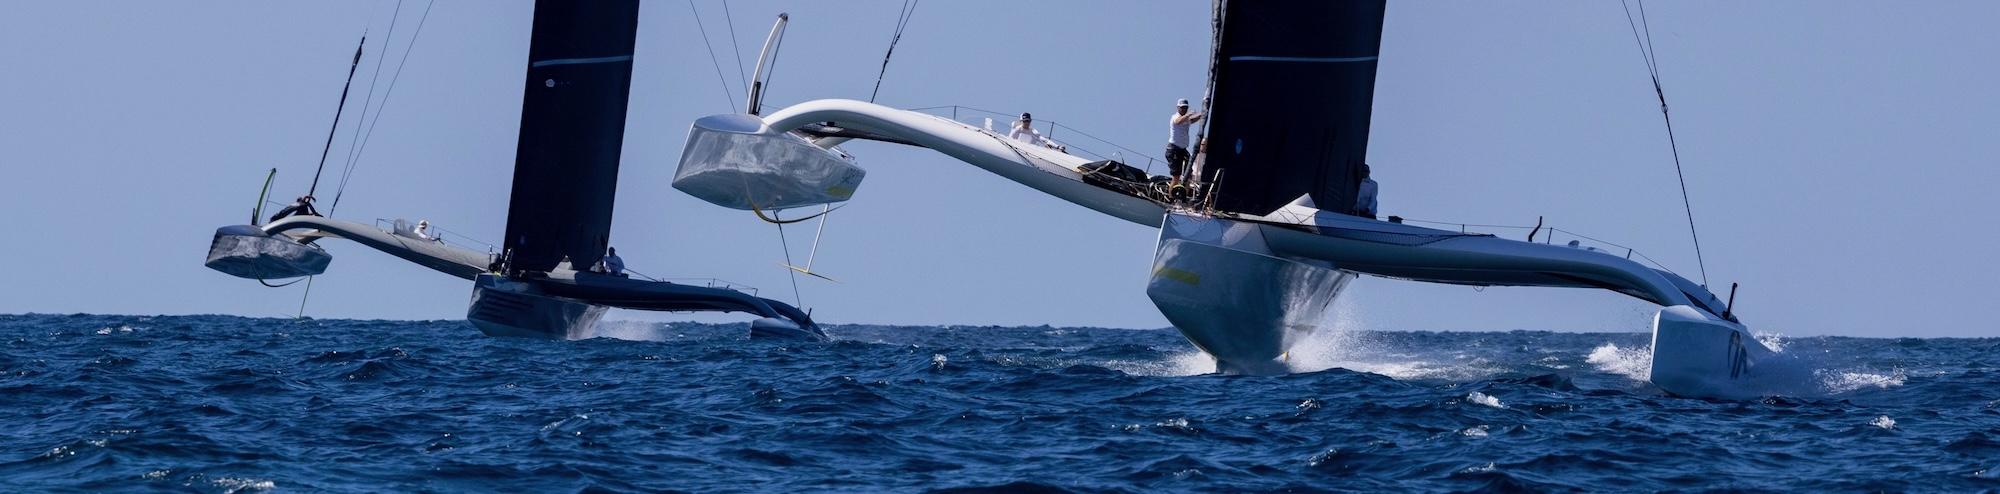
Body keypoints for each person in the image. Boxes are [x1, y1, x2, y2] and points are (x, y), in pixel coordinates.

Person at [1165, 99, 1204, 185]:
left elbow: (1191, 120)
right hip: (1174, 150)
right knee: (1176, 176)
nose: (1184, 109)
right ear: (1178, 108)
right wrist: (1188, 114)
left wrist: (1201, 115)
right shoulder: (1175, 117)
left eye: (1185, 108)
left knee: (1188, 173)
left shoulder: (1186, 119)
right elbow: (1178, 121)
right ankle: (1172, 193)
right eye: (1182, 108)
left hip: (1182, 150)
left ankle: (1185, 191)